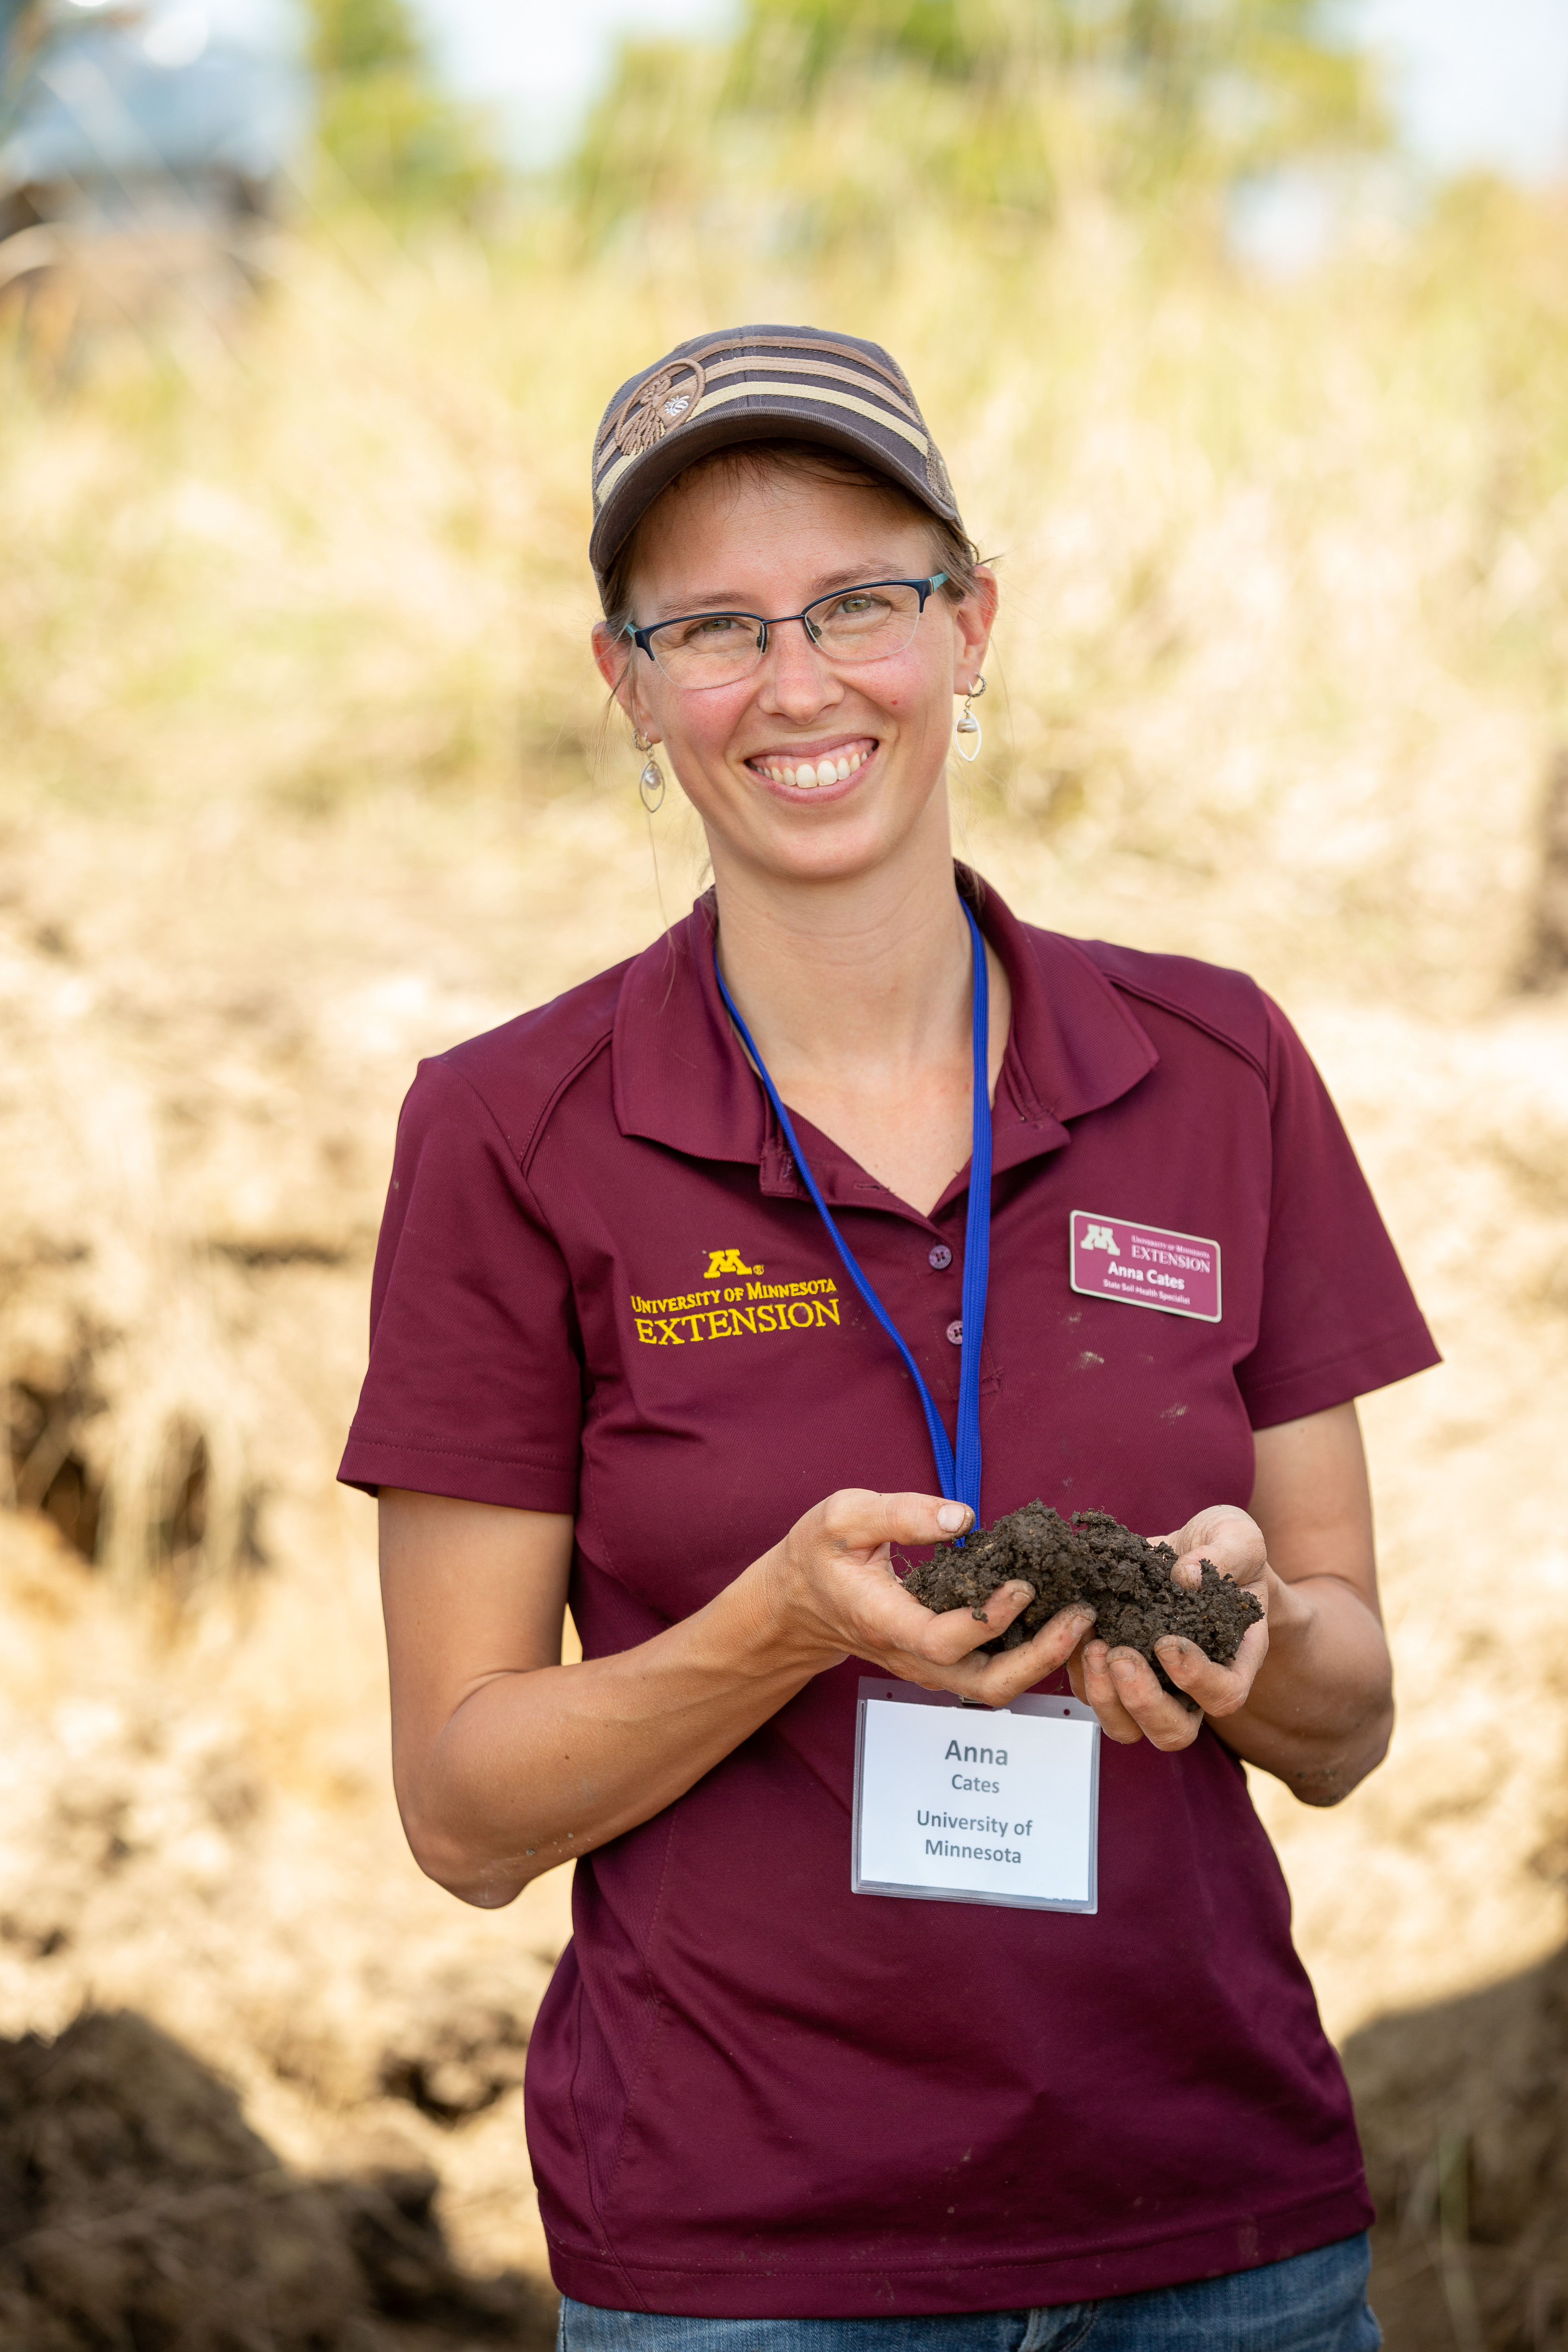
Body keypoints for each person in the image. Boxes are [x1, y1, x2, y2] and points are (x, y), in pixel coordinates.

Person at [340, 325, 1439, 2351]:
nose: (799, 682)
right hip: (746, 2271)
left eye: (861, 600)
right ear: (629, 688)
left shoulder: (1218, 1065)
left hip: (1222, 2239)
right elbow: (465, 1809)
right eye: (714, 627)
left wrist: (1237, 1629)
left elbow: (1355, 1719)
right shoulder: (510, 1129)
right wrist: (785, 1624)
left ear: (972, 624)